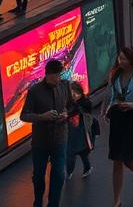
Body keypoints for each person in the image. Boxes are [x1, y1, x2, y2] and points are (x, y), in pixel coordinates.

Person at [103, 45, 133, 205]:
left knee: (126, 158)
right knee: (116, 159)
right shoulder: (115, 74)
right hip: (117, 119)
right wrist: (106, 110)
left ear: (132, 59)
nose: (121, 61)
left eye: (124, 58)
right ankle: (116, 200)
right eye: (120, 58)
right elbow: (110, 95)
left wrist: (131, 105)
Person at [19, 57, 70, 207]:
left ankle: (53, 204)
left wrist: (66, 114)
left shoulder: (64, 86)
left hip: (60, 138)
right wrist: (42, 117)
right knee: (38, 176)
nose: (58, 79)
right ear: (48, 74)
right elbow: (24, 115)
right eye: (56, 76)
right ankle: (38, 202)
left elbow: (71, 106)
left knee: (59, 174)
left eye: (60, 76)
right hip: (40, 141)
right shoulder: (35, 91)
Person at [65, 80, 94, 181]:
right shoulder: (71, 103)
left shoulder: (84, 104)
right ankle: (70, 171)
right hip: (73, 133)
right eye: (72, 94)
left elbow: (75, 112)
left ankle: (73, 171)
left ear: (80, 92)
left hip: (81, 133)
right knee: (74, 153)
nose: (74, 96)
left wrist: (67, 114)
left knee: (79, 153)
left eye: (76, 93)